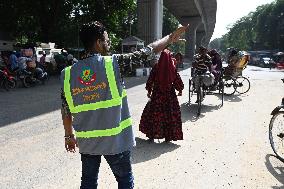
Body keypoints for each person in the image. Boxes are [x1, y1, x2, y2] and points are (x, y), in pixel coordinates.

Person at [60, 21, 189, 189]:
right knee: (124, 181)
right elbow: (147, 52)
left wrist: (69, 136)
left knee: (88, 182)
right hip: (116, 142)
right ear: (98, 43)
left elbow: (65, 109)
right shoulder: (113, 64)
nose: (109, 43)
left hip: (87, 142)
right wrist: (170, 38)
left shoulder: (67, 74)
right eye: (106, 40)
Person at [139, 49, 184, 142]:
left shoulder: (156, 67)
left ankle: (151, 135)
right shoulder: (172, 68)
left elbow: (150, 79)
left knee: (154, 114)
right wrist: (180, 89)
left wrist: (149, 90)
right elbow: (177, 80)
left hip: (157, 95)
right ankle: (168, 137)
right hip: (169, 96)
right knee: (169, 115)